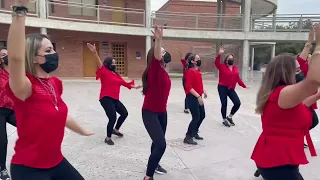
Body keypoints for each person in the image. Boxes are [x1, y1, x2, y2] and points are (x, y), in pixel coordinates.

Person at [7, 1, 93, 179]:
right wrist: (20, 12)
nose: (54, 54)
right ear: (35, 58)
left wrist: (82, 130)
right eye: (48, 50)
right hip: (29, 169)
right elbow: (15, 58)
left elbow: (61, 113)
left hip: (56, 161)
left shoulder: (54, 84)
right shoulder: (25, 87)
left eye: (53, 48)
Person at [251, 23, 320, 180]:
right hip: (277, 162)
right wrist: (318, 46)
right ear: (286, 72)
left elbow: (301, 104)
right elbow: (314, 80)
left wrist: (317, 96)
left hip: (277, 159)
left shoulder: (280, 93)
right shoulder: (283, 93)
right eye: (296, 69)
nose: (300, 70)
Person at [86, 43, 141, 145]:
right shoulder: (104, 71)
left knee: (124, 113)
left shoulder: (116, 74)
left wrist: (135, 87)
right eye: (113, 63)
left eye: (115, 63)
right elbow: (99, 63)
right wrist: (95, 53)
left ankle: (115, 129)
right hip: (105, 98)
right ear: (108, 64)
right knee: (112, 117)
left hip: (115, 99)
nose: (114, 65)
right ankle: (108, 137)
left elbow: (124, 83)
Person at [141, 25, 171, 180]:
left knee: (156, 142)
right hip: (150, 113)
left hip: (162, 112)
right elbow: (157, 57)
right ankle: (148, 176)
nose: (165, 54)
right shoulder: (155, 69)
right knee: (161, 144)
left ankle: (153, 163)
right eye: (163, 52)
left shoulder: (162, 71)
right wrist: (158, 41)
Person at [214, 46, 247, 127]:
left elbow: (237, 78)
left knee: (237, 103)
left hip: (231, 88)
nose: (231, 59)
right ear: (226, 59)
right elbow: (216, 63)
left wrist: (244, 86)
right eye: (229, 58)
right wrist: (219, 54)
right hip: (222, 87)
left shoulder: (235, 68)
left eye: (232, 58)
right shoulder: (222, 66)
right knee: (224, 103)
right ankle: (224, 119)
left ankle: (229, 117)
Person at [183, 54, 207, 145]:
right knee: (196, 117)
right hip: (192, 97)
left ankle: (194, 132)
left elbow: (198, 84)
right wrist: (198, 96)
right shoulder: (190, 71)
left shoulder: (197, 71)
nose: (199, 60)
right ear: (193, 61)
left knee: (202, 115)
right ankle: (188, 136)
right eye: (198, 59)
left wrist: (203, 91)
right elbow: (189, 87)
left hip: (198, 95)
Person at [0, 48, 16, 180]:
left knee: (29, 126)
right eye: (3, 55)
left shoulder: (16, 74)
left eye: (8, 54)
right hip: (0, 111)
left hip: (12, 110)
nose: (6, 57)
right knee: (2, 140)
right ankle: (2, 169)